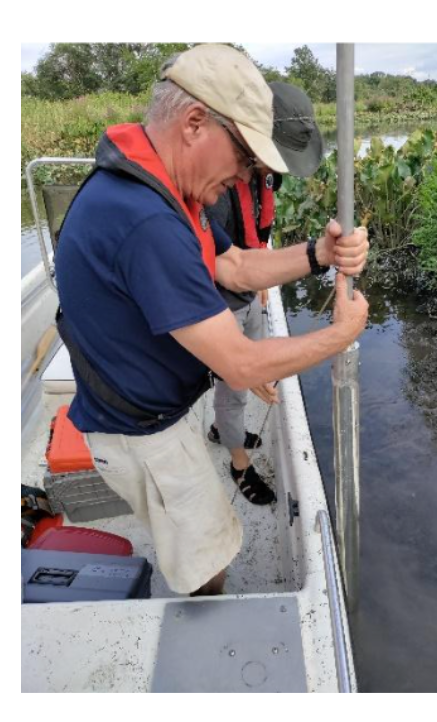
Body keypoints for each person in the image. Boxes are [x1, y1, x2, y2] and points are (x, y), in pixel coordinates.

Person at [52, 44, 368, 597]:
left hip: (162, 412)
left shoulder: (163, 186)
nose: (248, 176)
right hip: (144, 437)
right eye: (246, 158)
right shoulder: (145, 219)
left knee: (206, 535)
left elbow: (235, 264)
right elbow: (241, 364)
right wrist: (340, 335)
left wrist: (317, 254)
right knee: (208, 564)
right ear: (196, 123)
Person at [201, 81, 325, 505]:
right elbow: (216, 268)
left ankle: (221, 430)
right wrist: (240, 364)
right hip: (218, 299)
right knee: (234, 387)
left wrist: (265, 282)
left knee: (245, 373)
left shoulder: (264, 176)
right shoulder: (215, 190)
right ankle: (238, 463)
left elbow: (259, 235)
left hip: (249, 288)